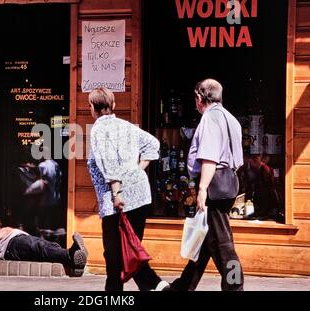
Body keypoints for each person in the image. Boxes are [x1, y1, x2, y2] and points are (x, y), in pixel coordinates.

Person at [87, 87, 170, 291]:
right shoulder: (126, 126)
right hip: (140, 196)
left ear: (92, 108)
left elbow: (109, 163)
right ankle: (156, 286)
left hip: (117, 200)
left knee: (115, 255)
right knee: (129, 249)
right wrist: (136, 171)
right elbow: (153, 144)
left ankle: (149, 286)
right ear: (113, 105)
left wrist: (117, 192)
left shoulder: (98, 129)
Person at [170, 78, 245, 291]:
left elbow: (210, 157)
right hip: (228, 182)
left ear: (200, 97)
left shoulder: (210, 119)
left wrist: (202, 188)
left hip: (214, 184)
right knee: (205, 241)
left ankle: (235, 286)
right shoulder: (231, 119)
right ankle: (182, 287)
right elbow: (237, 159)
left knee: (223, 245)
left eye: (195, 97)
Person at [0, 217, 88, 277]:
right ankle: (70, 254)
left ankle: (73, 262)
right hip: (10, 246)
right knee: (39, 247)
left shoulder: (3, 230)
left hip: (20, 238)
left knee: (46, 246)